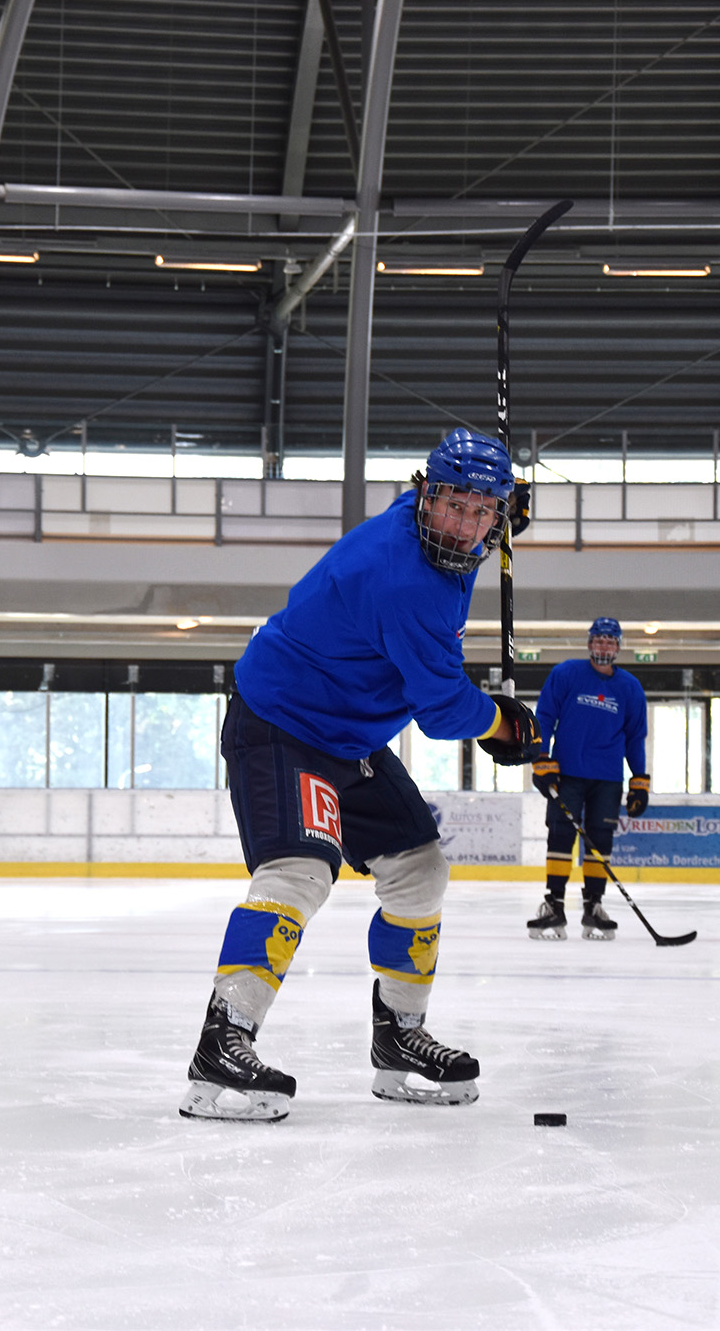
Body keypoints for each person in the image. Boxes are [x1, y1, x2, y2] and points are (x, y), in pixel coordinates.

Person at [180, 427, 539, 1122]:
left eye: (481, 511)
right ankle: (222, 1040)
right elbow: (439, 711)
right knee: (300, 871)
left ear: (502, 516)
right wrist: (501, 724)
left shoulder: (449, 548)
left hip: (350, 737)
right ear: (423, 494)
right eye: (451, 505)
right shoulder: (400, 574)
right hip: (284, 726)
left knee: (419, 870)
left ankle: (399, 1036)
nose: (462, 526)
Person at [524, 617, 649, 941]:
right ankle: (555, 904)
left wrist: (640, 779)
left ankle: (594, 905)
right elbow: (545, 717)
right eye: (598, 639)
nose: (604, 645)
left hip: (607, 778)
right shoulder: (566, 673)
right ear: (590, 643)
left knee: (600, 840)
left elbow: (636, 737)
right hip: (567, 774)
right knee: (561, 836)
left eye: (610, 641)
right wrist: (542, 758)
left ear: (619, 647)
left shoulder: (630, 687)